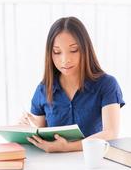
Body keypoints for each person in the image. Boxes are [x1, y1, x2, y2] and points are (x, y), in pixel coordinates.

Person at [19, 16, 125, 153]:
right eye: (57, 52)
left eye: (74, 50)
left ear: (85, 49)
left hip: (94, 163)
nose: (65, 60)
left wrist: (67, 147)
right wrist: (25, 129)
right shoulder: (43, 89)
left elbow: (110, 133)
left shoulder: (106, 84)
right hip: (54, 165)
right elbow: (39, 136)